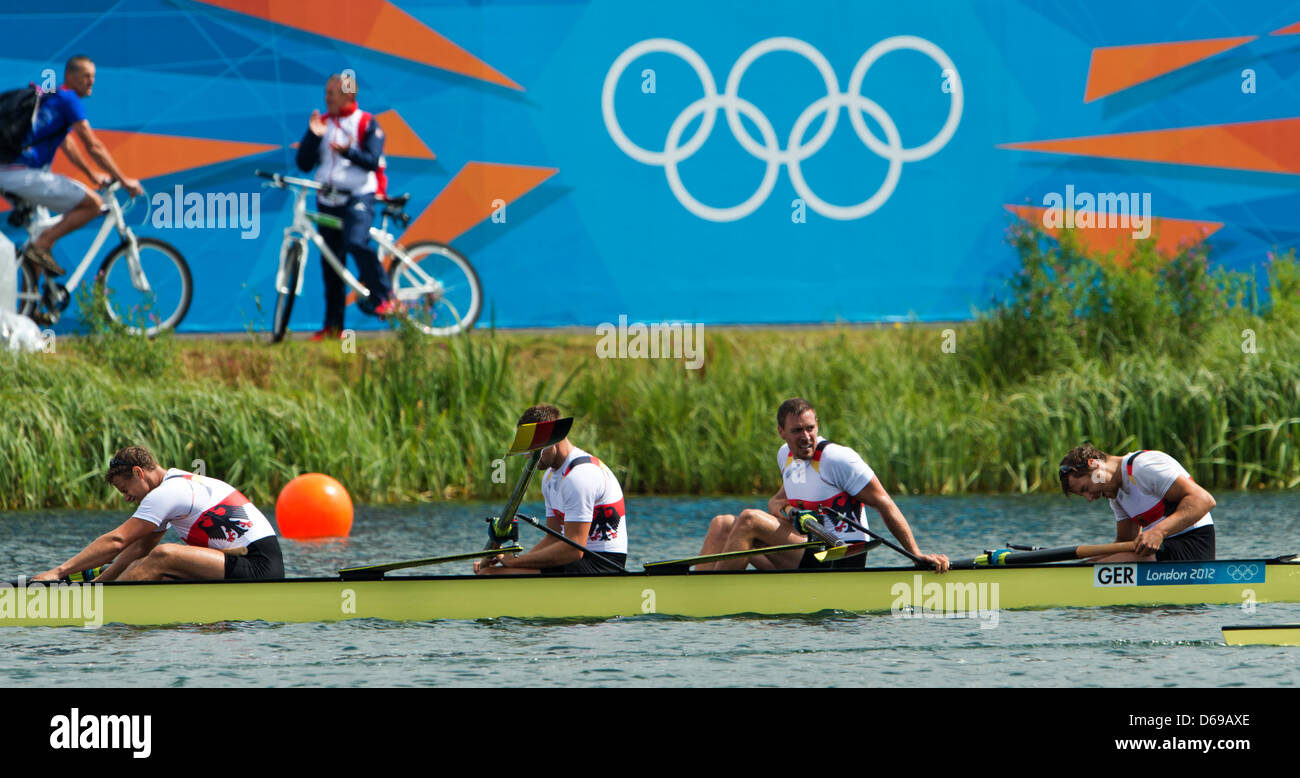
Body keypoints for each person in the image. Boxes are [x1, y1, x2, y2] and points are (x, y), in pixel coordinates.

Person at [695, 397, 949, 572]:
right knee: (723, 524)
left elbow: (885, 503)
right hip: (806, 549)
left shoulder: (838, 459)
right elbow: (777, 501)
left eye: (810, 428)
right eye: (796, 431)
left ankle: (715, 597)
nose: (806, 437)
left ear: (818, 426)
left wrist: (916, 553)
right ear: (781, 432)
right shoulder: (786, 456)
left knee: (749, 519)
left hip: (840, 555)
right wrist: (789, 512)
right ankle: (696, 592)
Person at [33, 446, 283, 582]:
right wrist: (101, 584)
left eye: (125, 489)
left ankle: (112, 607)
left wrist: (58, 572)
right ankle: (110, 595)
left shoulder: (167, 493)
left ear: (139, 473)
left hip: (259, 566)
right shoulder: (176, 482)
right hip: (241, 561)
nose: (127, 497)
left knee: (164, 554)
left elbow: (117, 541)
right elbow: (136, 550)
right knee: (144, 560)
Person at [0, 55, 143, 278]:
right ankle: (42, 245)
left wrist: (92, 175)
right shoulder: (69, 100)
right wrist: (124, 181)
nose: (91, 81)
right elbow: (93, 145)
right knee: (93, 205)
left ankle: (31, 309)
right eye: (86, 76)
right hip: (23, 174)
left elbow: (69, 146)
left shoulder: (55, 99)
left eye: (93, 76)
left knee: (41, 235)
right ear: (70, 76)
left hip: (12, 173)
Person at [294, 72, 398, 341]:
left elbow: (373, 160)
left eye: (332, 93)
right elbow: (304, 164)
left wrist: (348, 152)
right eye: (326, 92)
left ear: (348, 95)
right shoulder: (323, 123)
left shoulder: (365, 122)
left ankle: (385, 297)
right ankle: (333, 327)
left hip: (358, 197)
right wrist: (312, 137)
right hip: (328, 200)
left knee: (356, 243)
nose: (327, 98)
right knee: (331, 265)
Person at [474, 404, 628, 575]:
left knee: (489, 575)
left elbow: (574, 549)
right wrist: (513, 563)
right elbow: (554, 537)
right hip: (577, 560)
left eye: (532, 448)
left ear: (553, 440)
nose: (527, 456)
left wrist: (514, 562)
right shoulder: (549, 477)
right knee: (494, 571)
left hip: (602, 564)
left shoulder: (579, 476)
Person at [1059, 444, 1216, 561]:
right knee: (1095, 564)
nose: (1089, 498)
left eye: (1086, 488)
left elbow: (1204, 500)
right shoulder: (1116, 496)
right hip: (1160, 549)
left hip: (1193, 545)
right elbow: (1124, 542)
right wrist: (1086, 563)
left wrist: (1158, 531)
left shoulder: (1142, 467)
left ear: (1095, 466)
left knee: (1103, 566)